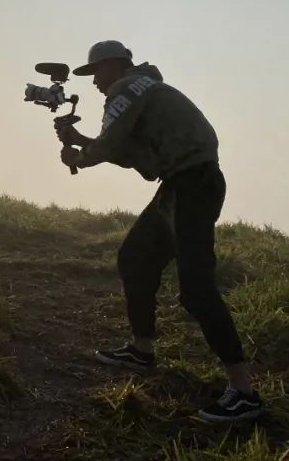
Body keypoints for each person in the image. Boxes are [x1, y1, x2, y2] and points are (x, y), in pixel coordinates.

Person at [57, 40, 262, 423]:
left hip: (191, 186)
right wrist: (85, 144)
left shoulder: (125, 88)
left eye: (96, 73)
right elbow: (144, 162)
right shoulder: (147, 89)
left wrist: (81, 156)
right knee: (135, 257)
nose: (95, 83)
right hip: (184, 183)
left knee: (196, 289)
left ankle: (244, 391)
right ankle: (141, 350)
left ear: (114, 66)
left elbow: (112, 144)